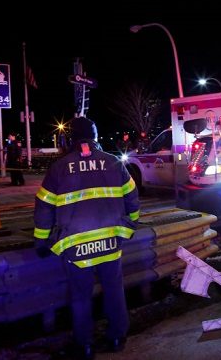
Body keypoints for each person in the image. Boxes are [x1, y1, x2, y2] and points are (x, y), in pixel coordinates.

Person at [33, 117, 140, 359]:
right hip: (111, 242)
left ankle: (85, 345)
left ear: (70, 139)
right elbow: (132, 198)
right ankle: (116, 337)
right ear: (95, 136)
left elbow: (43, 207)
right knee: (114, 290)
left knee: (80, 297)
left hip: (75, 246)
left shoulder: (59, 168)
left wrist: (41, 240)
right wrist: (129, 225)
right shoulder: (113, 163)